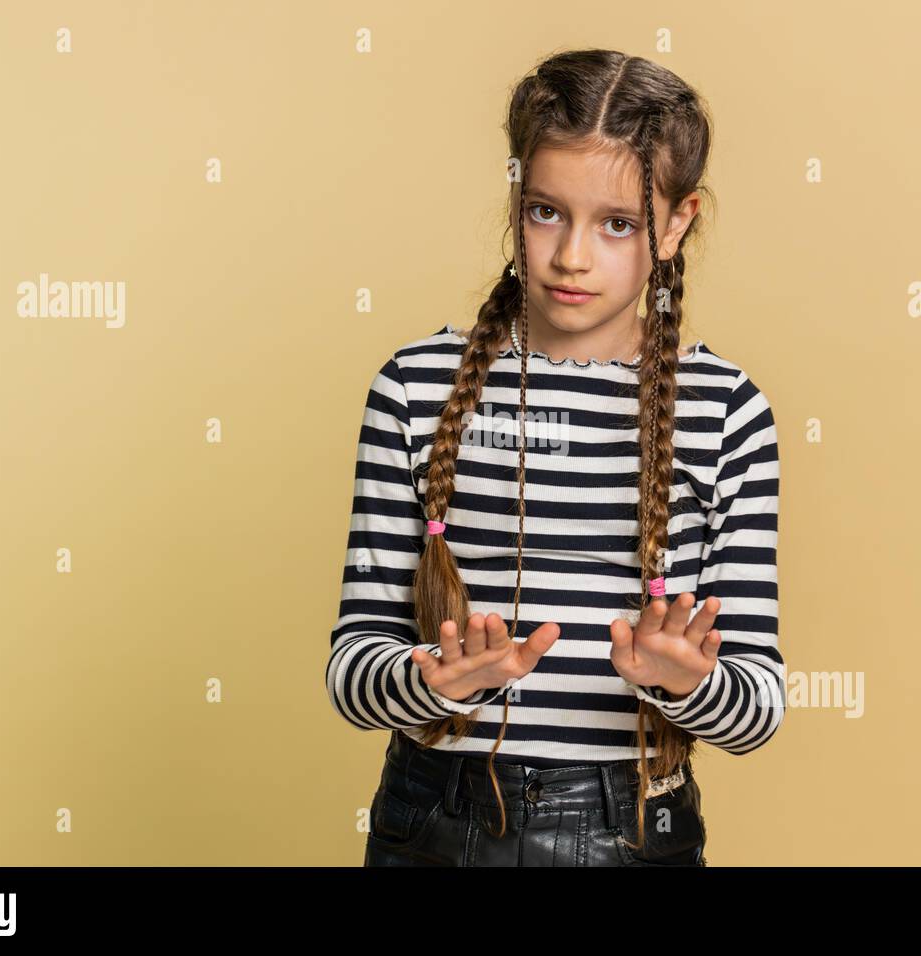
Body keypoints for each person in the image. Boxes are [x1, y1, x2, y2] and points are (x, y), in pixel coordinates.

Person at [327, 49, 783, 866]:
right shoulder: (414, 387)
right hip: (433, 820)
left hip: (636, 829)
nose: (573, 255)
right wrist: (431, 679)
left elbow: (758, 708)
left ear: (679, 223)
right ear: (515, 198)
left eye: (618, 223)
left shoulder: (725, 411)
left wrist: (683, 680)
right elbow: (353, 667)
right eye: (545, 212)